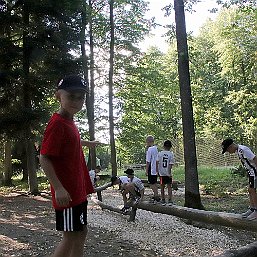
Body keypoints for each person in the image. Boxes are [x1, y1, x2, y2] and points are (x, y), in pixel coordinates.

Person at [40, 75, 99, 257]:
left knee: (81, 232)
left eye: (81, 97)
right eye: (71, 96)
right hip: (67, 193)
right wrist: (58, 188)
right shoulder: (57, 123)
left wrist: (86, 143)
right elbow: (44, 157)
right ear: (59, 96)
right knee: (70, 237)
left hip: (77, 191)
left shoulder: (69, 121)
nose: (76, 101)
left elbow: (68, 142)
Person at [222, 138, 257, 220]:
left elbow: (255, 159)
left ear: (231, 146)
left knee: (252, 190)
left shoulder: (243, 149)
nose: (228, 152)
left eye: (227, 150)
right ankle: (252, 209)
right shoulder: (239, 150)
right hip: (250, 172)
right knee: (250, 189)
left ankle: (256, 210)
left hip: (254, 172)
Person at [156, 140, 175, 205]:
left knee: (162, 186)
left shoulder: (160, 153)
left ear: (163, 146)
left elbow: (157, 163)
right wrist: (169, 173)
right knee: (169, 186)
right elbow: (170, 164)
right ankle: (170, 200)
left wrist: (157, 171)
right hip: (167, 173)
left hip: (161, 173)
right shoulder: (171, 154)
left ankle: (163, 199)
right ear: (170, 147)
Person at [145, 135, 160, 203]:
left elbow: (148, 161)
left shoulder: (150, 149)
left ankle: (156, 196)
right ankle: (156, 195)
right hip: (155, 168)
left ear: (148, 142)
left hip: (151, 168)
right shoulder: (156, 148)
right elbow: (157, 159)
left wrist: (146, 170)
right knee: (154, 182)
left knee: (151, 183)